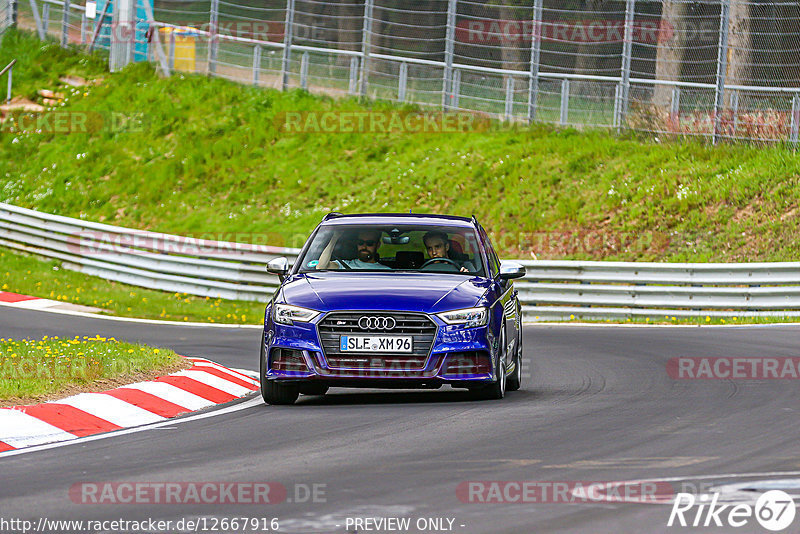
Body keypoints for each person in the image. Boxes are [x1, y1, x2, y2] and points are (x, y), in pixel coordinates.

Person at [316, 228, 391, 270]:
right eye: (360, 242)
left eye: (369, 243)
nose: (364, 247)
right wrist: (335, 238)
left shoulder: (386, 271)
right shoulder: (344, 264)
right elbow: (320, 267)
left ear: (378, 245)